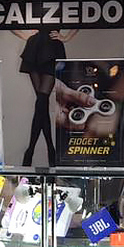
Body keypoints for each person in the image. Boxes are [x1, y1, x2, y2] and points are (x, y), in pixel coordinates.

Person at [14, 26, 77, 166]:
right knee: (42, 102)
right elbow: (9, 21)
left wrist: (67, 37)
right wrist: (24, 35)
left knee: (41, 100)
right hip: (34, 47)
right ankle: (50, 150)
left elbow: (81, 20)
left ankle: (31, 150)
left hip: (52, 48)